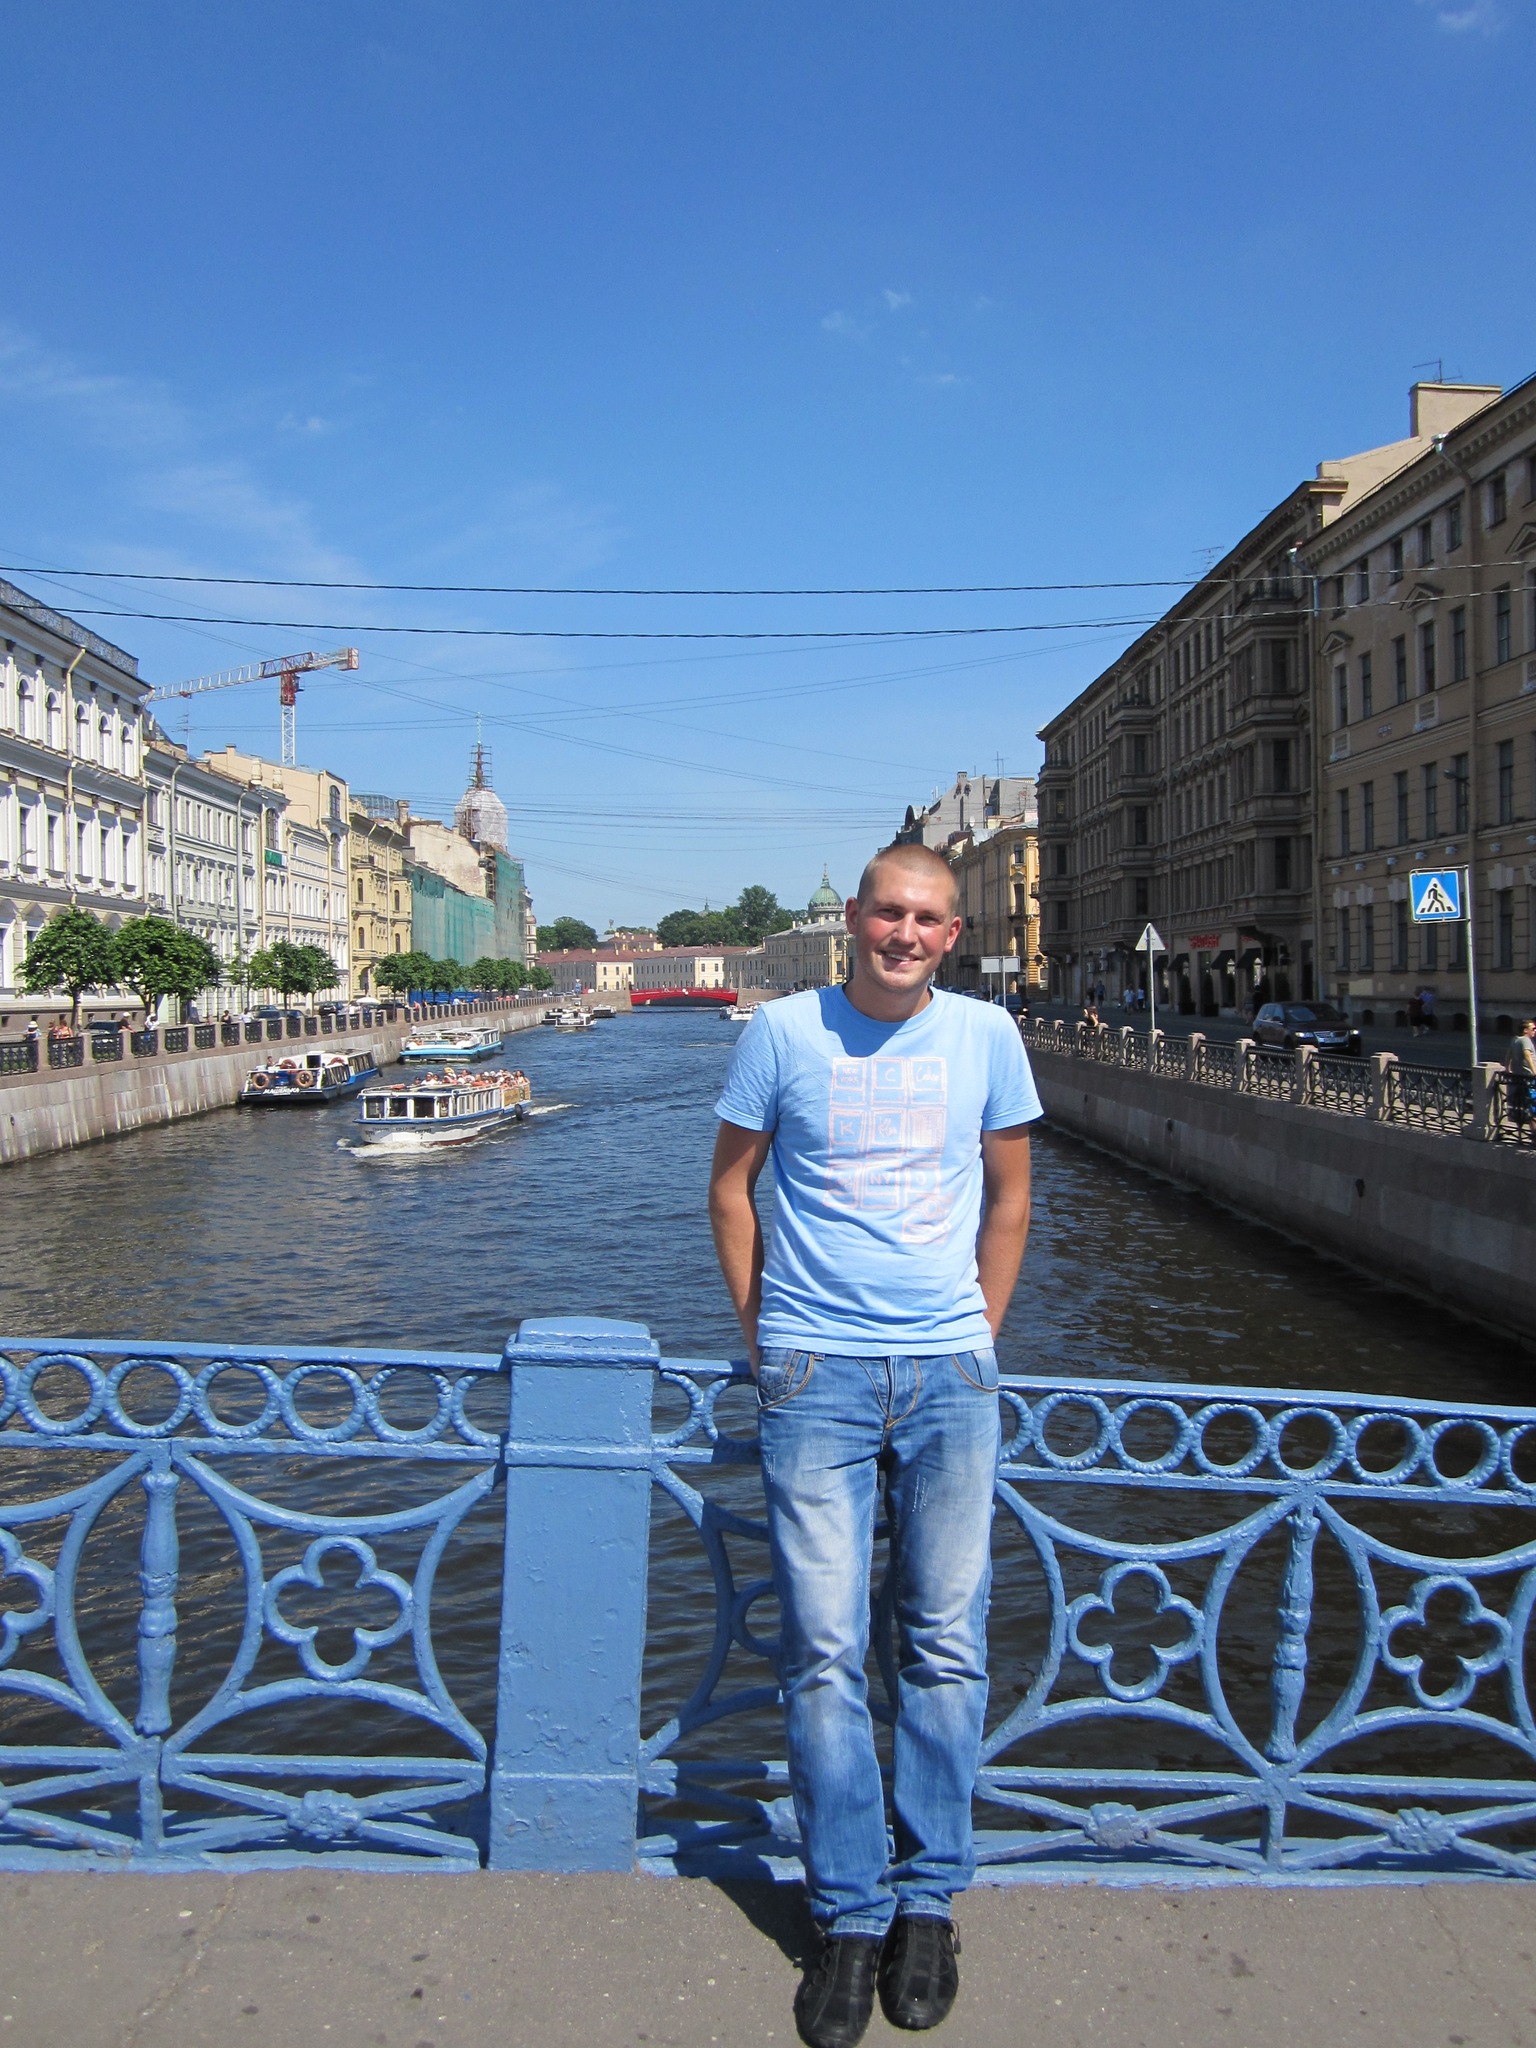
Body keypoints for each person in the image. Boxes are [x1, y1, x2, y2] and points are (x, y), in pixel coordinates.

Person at [709, 842, 1039, 2048]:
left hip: (949, 1376)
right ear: (854, 917)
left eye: (927, 918)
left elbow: (1010, 1198)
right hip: (816, 1376)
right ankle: (849, 1911)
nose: (905, 933)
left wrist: (977, 1340)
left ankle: (929, 1900)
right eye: (888, 912)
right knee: (825, 1649)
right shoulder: (782, 1031)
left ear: (952, 935)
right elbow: (732, 1189)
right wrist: (769, 1339)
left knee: (946, 1643)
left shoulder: (988, 1036)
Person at [1506, 1018, 1536, 1127]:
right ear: (1525, 1030)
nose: (1535, 1031)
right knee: (1533, 1107)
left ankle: (1533, 1133)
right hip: (1529, 1078)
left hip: (1520, 1078)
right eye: (1533, 1028)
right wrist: (1534, 1072)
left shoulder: (1515, 1039)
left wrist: (1507, 1068)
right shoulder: (1525, 1040)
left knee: (1530, 1108)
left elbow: (1509, 1054)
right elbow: (1527, 1055)